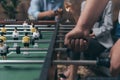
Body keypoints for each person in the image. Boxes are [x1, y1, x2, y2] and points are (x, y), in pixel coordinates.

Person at [63, 0, 117, 79]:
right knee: (74, 41)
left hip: (102, 42)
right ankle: (72, 73)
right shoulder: (84, 4)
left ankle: (71, 75)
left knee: (78, 41)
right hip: (88, 37)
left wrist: (93, 32)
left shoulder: (109, 3)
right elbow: (83, 26)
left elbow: (108, 26)